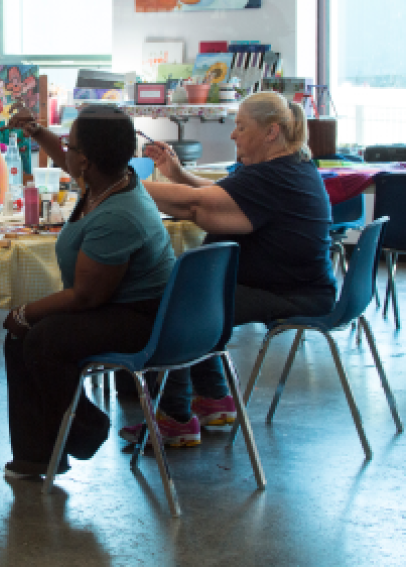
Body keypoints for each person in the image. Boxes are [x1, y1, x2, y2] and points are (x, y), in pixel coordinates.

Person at [129, 91, 335, 447]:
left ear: (271, 132)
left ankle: (175, 416)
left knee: (181, 301)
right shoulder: (287, 168)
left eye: (241, 126)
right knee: (195, 290)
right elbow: (225, 194)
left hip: (293, 296)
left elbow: (197, 206)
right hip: (297, 286)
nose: (233, 134)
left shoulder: (273, 177)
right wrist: (177, 173)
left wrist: (122, 185)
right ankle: (212, 398)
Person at [1, 105, 175, 478]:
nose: (66, 149)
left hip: (142, 318)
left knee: (39, 336)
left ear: (89, 161)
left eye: (73, 145)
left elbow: (85, 297)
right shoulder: (110, 180)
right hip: (128, 305)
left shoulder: (118, 214)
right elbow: (68, 160)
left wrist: (24, 311)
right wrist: (35, 130)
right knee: (25, 338)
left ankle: (85, 427)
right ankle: (39, 456)